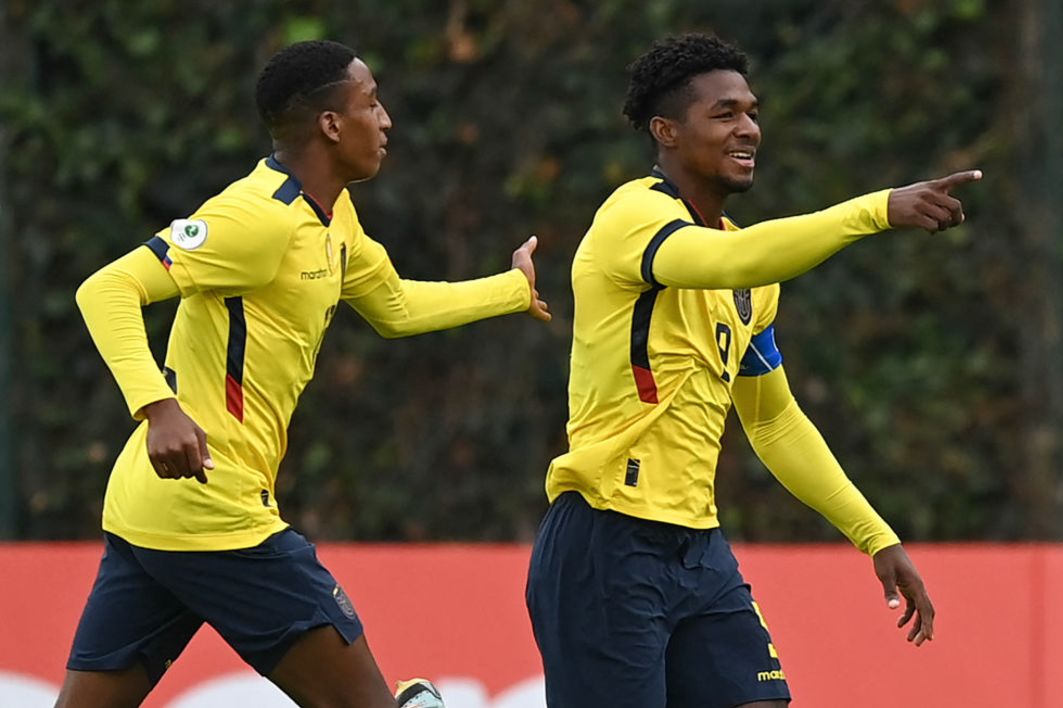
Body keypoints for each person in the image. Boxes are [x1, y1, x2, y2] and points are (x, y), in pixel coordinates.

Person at [58, 40, 550, 708]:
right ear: (329, 124)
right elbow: (106, 290)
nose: (386, 121)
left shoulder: (334, 216)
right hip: (215, 512)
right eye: (371, 103)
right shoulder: (255, 219)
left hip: (154, 514)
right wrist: (158, 407)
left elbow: (395, 307)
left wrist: (511, 291)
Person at [525, 33, 980, 708]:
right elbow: (737, 262)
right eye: (725, 114)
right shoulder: (633, 216)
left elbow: (772, 419)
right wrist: (876, 210)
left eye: (752, 112)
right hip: (606, 544)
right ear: (666, 132)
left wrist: (874, 535)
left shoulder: (750, 276)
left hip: (698, 550)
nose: (749, 129)